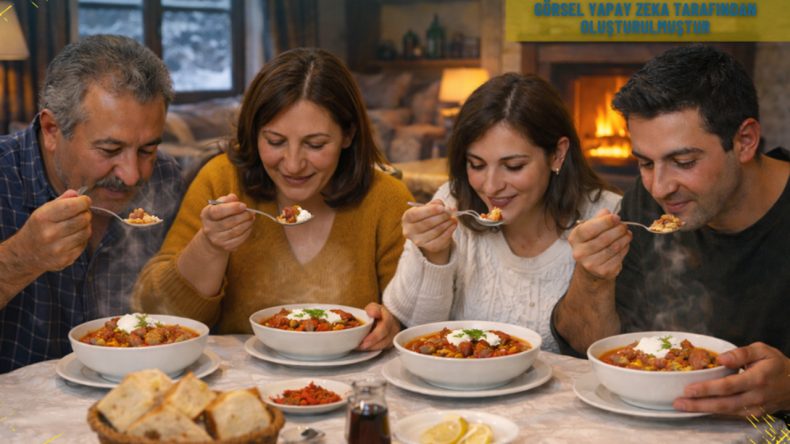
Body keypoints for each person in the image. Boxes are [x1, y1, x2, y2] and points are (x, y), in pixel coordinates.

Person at [552, 45, 790, 416]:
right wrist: (592, 278)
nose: (660, 187)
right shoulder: (649, 205)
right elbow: (595, 349)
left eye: (683, 161)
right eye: (645, 163)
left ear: (744, 141)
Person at [132, 48, 412, 350]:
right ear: (254, 134)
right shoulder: (223, 180)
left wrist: (394, 324)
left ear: (348, 135)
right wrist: (210, 246)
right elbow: (160, 314)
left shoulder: (386, 198)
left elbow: (414, 317)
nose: (292, 164)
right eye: (275, 141)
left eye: (315, 144)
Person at [383, 73, 621, 352]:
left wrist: (594, 277)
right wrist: (433, 256)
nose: (491, 187)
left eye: (514, 166)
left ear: (557, 154)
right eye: (477, 164)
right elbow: (411, 330)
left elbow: (611, 351)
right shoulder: (452, 201)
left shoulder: (606, 218)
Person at [0, 35, 184, 372]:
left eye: (147, 150)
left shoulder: (166, 177)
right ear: (52, 129)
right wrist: (20, 258)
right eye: (110, 150)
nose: (131, 175)